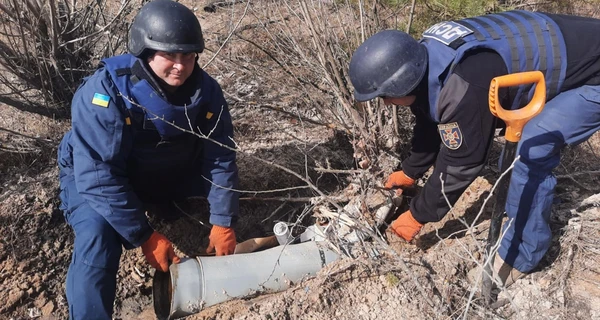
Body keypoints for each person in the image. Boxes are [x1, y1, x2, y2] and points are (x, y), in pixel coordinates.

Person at [349, 10, 600, 286]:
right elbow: (429, 116)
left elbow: (462, 162)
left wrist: (418, 215)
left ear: (403, 81)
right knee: (522, 147)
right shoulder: (426, 57)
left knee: (531, 147)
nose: (385, 103)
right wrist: (410, 171)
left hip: (593, 73)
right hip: (572, 42)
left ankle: (521, 255)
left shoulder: (465, 83)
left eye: (385, 96)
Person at [57, 0, 239, 318]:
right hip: (95, 174)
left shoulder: (206, 91)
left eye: (188, 55)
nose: (180, 66)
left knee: (217, 188)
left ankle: (162, 200)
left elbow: (220, 154)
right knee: (98, 234)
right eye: (169, 55)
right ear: (145, 50)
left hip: (159, 164)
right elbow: (99, 176)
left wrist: (223, 220)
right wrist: (144, 236)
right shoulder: (104, 93)